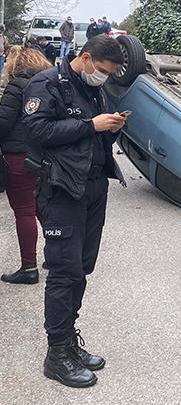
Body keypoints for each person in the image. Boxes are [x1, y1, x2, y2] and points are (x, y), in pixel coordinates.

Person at [24, 35, 128, 388]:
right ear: (84, 58)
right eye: (100, 69)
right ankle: (56, 355)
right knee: (63, 272)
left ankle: (69, 341)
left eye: (108, 73)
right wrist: (91, 125)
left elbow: (89, 137)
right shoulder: (47, 84)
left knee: (81, 268)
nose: (103, 76)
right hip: (62, 190)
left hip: (93, 188)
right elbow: (36, 130)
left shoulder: (92, 89)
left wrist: (110, 128)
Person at [0, 48, 52, 285]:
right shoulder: (50, 85)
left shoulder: (16, 86)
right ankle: (54, 256)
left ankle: (28, 267)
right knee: (40, 207)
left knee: (23, 211)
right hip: (43, 156)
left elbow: (3, 123)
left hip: (18, 156)